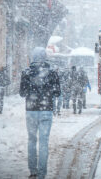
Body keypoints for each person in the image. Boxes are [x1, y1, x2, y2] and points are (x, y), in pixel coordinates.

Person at [19, 47, 61, 179]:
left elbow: (22, 93)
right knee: (44, 142)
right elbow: (57, 92)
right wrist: (47, 92)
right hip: (46, 110)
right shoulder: (52, 72)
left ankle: (33, 171)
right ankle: (42, 173)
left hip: (31, 111)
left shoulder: (26, 72)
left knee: (32, 140)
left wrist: (32, 91)